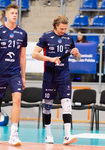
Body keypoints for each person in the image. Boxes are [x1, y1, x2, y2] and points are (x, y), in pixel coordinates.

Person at [32, 15, 81, 145]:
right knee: (47, 106)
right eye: (61, 28)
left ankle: (67, 136)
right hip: (50, 76)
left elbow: (77, 58)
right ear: (55, 26)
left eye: (65, 28)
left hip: (64, 76)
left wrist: (77, 54)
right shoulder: (46, 36)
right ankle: (48, 135)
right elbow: (34, 54)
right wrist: (50, 59)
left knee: (67, 105)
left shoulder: (69, 38)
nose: (63, 31)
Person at [0, 4, 27, 146]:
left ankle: (14, 134)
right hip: (0, 72)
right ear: (6, 15)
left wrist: (23, 76)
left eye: (16, 13)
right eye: (12, 13)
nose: (15, 15)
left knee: (17, 99)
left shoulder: (22, 33)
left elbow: (23, 57)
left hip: (15, 73)